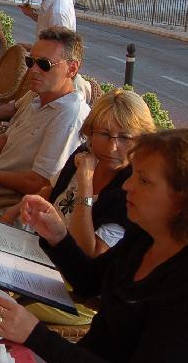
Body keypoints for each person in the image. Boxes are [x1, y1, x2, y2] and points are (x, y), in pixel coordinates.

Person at [0, 129, 188, 363]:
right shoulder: (152, 231)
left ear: (185, 197)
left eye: (144, 181)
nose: (127, 186)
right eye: (133, 174)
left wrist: (35, 335)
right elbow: (89, 281)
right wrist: (58, 236)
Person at [0, 27, 90, 212]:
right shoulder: (39, 98)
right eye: (30, 61)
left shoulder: (69, 115)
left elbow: (39, 183)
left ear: (72, 68)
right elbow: (6, 138)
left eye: (44, 64)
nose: (33, 70)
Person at [26, 89, 156, 254]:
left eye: (125, 137)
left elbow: (89, 253)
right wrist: (12, 215)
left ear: (142, 141)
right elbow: (52, 191)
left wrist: (85, 185)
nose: (112, 147)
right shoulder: (85, 153)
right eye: (104, 134)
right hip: (35, 246)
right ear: (90, 132)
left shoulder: (131, 190)